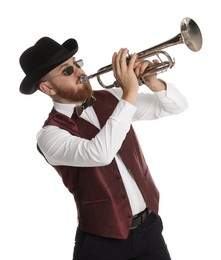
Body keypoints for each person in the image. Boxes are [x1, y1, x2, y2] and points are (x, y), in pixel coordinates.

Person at [19, 36, 188, 260]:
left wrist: (153, 82)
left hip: (149, 229)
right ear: (47, 87)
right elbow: (100, 153)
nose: (80, 72)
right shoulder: (49, 135)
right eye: (67, 71)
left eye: (77, 63)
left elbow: (176, 106)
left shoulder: (112, 98)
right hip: (101, 243)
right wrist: (129, 93)